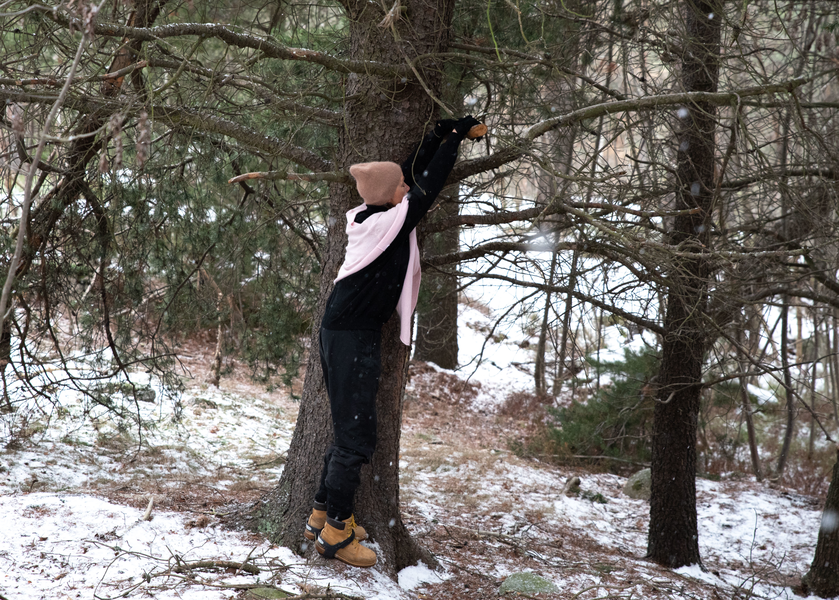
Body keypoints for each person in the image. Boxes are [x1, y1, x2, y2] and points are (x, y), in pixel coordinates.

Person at [303, 116, 482, 567]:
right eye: (402, 186)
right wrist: (455, 138)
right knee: (356, 437)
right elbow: (429, 183)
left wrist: (434, 135)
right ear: (391, 196)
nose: (408, 186)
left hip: (340, 328)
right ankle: (335, 535)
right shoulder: (393, 221)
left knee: (347, 428)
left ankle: (321, 513)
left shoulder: (373, 214)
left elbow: (408, 174)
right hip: (352, 336)